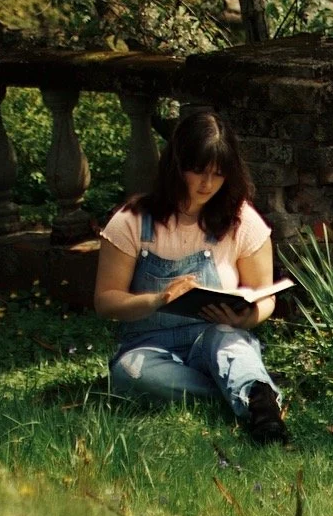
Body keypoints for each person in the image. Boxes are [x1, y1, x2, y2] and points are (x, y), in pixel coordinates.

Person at [93, 108, 289, 443]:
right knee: (131, 374)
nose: (207, 184)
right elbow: (105, 300)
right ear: (176, 166)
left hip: (215, 337)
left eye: (218, 174)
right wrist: (157, 300)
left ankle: (263, 414)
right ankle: (250, 392)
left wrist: (246, 317)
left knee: (230, 343)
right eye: (198, 171)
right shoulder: (132, 220)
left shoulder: (242, 219)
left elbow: (265, 294)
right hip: (148, 346)